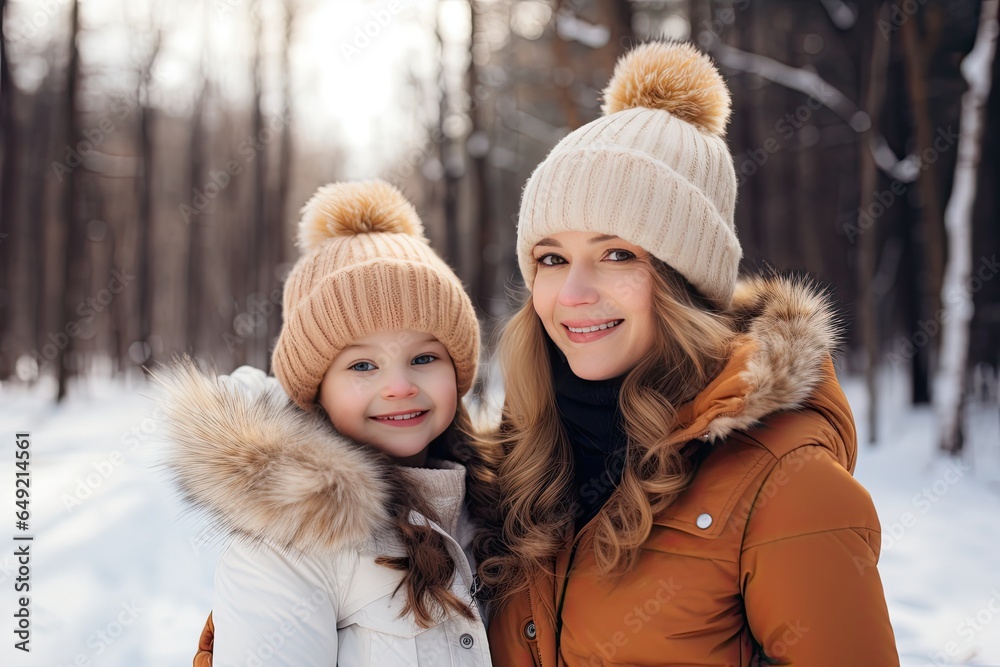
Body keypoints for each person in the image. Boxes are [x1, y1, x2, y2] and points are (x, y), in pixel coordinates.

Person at [478, 41, 900, 665]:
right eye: (551, 258)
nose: (573, 292)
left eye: (617, 254)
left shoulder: (787, 485)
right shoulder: (517, 466)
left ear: (685, 279)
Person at [159, 180, 495, 666]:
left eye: (424, 357)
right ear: (315, 389)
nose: (399, 386)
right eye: (362, 366)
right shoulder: (290, 542)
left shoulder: (495, 503)